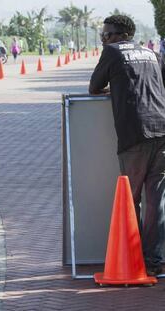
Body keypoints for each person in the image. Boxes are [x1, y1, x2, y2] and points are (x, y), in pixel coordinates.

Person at [89, 14, 165, 276]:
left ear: (120, 35)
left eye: (107, 34)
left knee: (130, 200)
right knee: (157, 201)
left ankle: (131, 260)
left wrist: (115, 90)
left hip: (135, 135)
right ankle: (153, 262)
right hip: (162, 131)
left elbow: (94, 87)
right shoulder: (151, 53)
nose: (105, 38)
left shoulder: (112, 52)